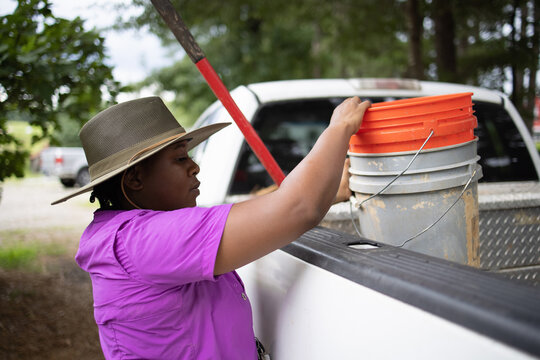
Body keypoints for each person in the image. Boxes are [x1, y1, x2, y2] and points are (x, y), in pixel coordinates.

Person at [52, 96, 370, 359]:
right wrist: (339, 128)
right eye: (179, 159)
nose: (194, 166)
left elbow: (252, 208)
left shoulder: (136, 231)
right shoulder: (143, 241)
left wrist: (329, 187)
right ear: (134, 179)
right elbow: (298, 208)